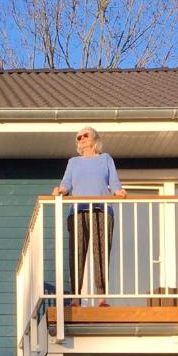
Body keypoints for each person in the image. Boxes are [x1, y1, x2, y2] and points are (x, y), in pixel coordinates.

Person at [52, 126, 127, 301]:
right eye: (78, 137)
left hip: (101, 210)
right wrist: (60, 190)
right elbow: (66, 184)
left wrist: (119, 192)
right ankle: (76, 298)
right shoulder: (73, 162)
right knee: (77, 254)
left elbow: (114, 183)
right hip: (78, 211)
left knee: (101, 253)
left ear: (95, 138)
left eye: (85, 135)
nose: (81, 139)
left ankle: (102, 298)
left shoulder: (106, 159)